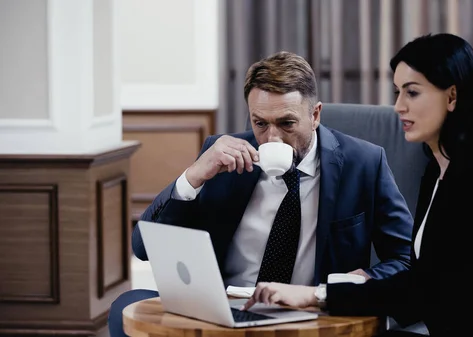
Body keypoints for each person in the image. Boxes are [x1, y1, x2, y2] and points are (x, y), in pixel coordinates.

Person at [242, 34, 473, 336]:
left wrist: (316, 294)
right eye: (398, 91)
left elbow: (425, 290)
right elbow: (423, 281)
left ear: (452, 96)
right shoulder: (438, 170)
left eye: (413, 92)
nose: (398, 106)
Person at [107, 51, 415, 336]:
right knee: (127, 305)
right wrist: (193, 177)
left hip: (309, 314)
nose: (272, 137)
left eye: (287, 123)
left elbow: (405, 260)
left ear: (316, 115)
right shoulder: (222, 158)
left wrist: (346, 285)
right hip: (224, 309)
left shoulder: (363, 163)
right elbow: (143, 247)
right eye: (260, 123)